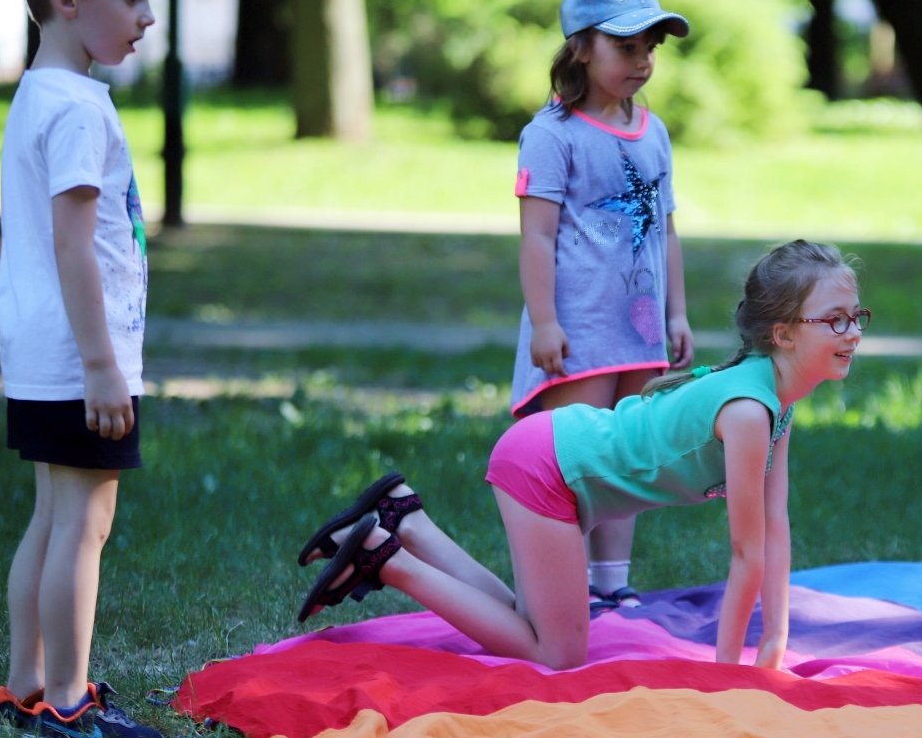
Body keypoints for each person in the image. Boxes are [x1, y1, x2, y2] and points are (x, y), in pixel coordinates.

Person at [296, 241, 868, 671]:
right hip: (548, 466)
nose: (853, 333)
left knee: (531, 623)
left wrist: (774, 645)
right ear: (784, 334)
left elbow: (775, 528)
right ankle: (383, 558)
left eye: (856, 317)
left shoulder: (775, 401)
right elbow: (746, 555)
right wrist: (727, 674)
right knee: (559, 655)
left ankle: (406, 522)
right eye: (835, 319)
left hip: (563, 463)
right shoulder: (748, 411)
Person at [0, 0, 166, 738]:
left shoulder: (41, 93)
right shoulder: (80, 109)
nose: (146, 17)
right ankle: (65, 704)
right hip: (79, 356)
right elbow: (74, 243)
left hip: (39, 352)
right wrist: (100, 365)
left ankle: (21, 691)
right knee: (83, 527)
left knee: (53, 518)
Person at [511, 0, 695, 612]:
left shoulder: (654, 132)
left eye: (650, 47)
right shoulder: (552, 134)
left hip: (639, 329)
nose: (642, 61)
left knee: (628, 459)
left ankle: (612, 586)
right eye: (626, 46)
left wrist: (677, 313)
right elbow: (536, 237)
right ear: (581, 48)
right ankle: (558, 592)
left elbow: (666, 230)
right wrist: (544, 323)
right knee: (577, 458)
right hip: (578, 326)